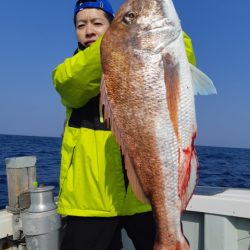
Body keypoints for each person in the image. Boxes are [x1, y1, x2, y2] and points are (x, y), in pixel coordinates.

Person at [52, 1, 196, 249]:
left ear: (110, 26)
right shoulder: (68, 71)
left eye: (98, 23)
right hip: (90, 202)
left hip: (143, 200)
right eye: (80, 25)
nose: (88, 30)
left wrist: (153, 29)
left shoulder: (149, 51)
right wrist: (113, 44)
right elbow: (70, 83)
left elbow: (183, 62)